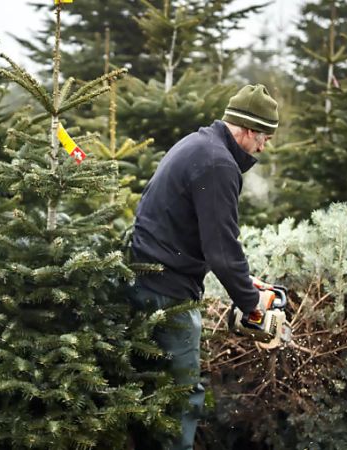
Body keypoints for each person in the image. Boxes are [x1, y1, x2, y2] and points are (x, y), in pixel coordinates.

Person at [127, 84, 278, 450]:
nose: (264, 147)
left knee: (149, 390)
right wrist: (252, 306)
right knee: (182, 395)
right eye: (264, 138)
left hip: (147, 278)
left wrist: (246, 281)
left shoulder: (198, 144)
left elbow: (194, 234)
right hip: (168, 294)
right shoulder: (219, 165)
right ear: (246, 130)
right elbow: (222, 249)